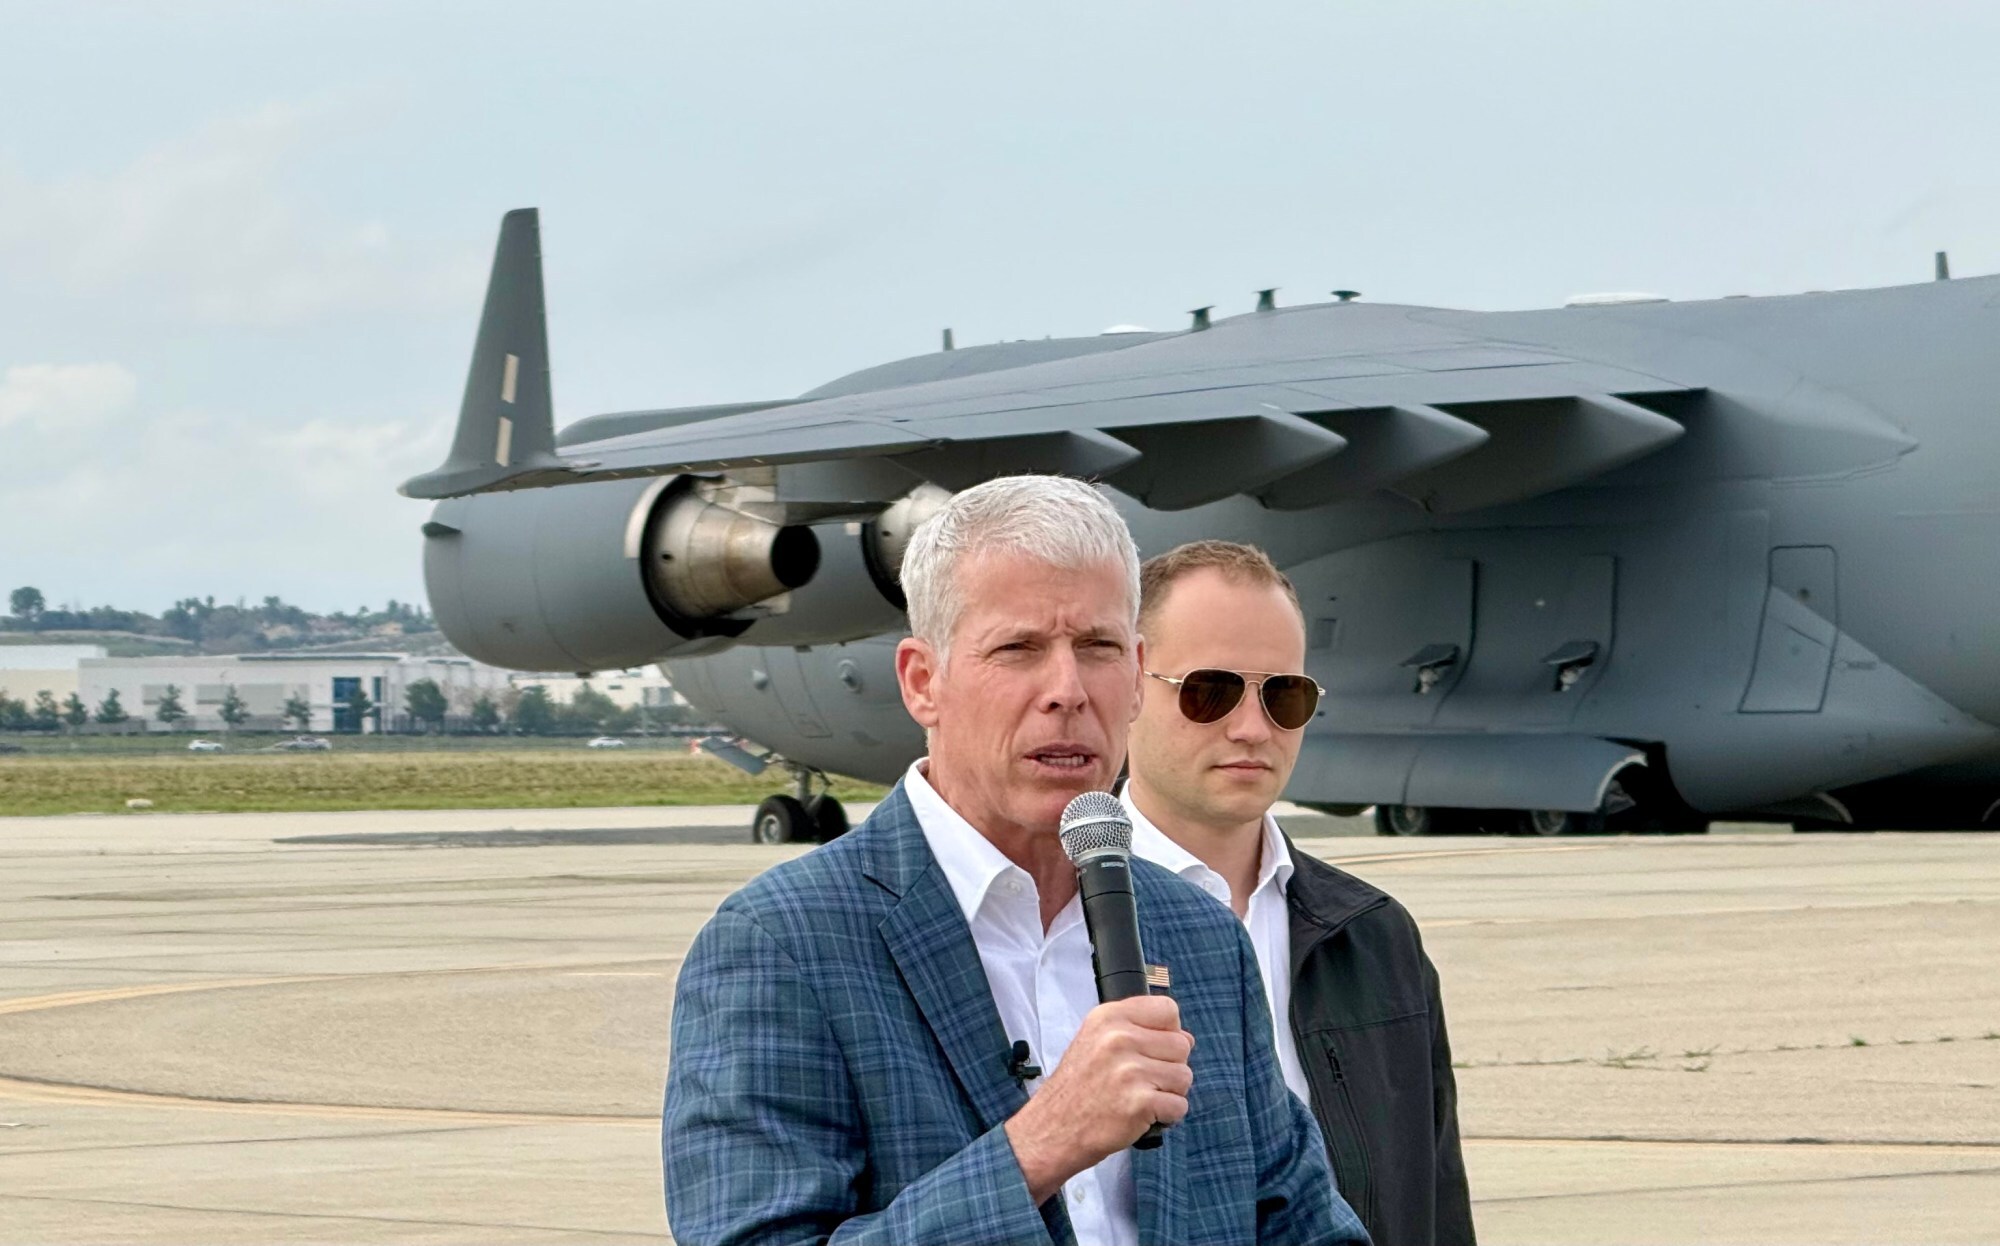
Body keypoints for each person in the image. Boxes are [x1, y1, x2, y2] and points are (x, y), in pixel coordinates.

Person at [664, 477, 1365, 1246]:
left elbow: (1306, 1226)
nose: (1066, 691)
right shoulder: (782, 945)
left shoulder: (1199, 935)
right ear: (922, 682)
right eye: (1018, 648)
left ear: (1135, 675)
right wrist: (1039, 1147)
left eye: (1097, 648)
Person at [1124, 539, 1475, 1246]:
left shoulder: (1372, 936)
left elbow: (1435, 1202)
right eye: (1209, 691)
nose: (1252, 727)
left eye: (1284, 694)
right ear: (1129, 683)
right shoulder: (1043, 919)